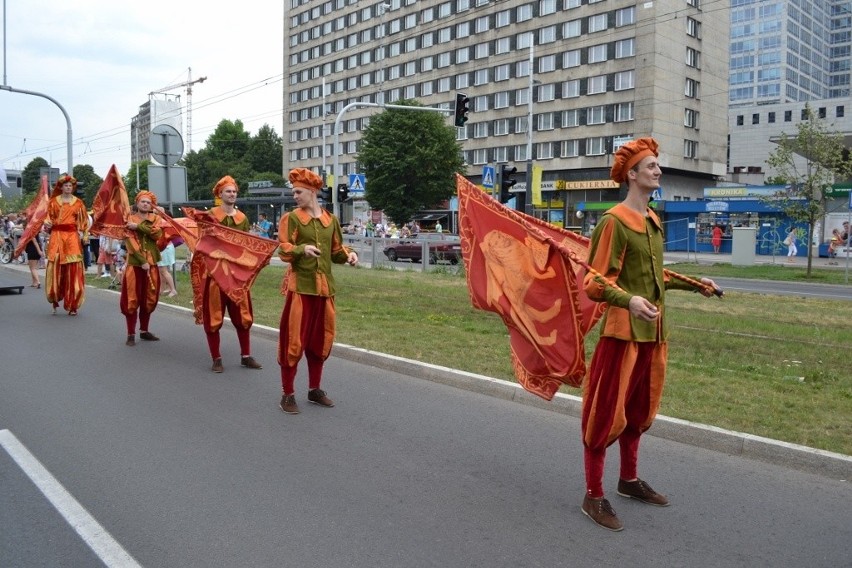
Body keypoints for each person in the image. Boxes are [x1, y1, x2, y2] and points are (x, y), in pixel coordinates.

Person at [580, 137, 720, 532]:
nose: (658, 171)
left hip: (654, 334)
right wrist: (628, 301)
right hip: (622, 336)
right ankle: (593, 495)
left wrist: (698, 284)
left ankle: (628, 481)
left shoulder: (653, 221)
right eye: (652, 166)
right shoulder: (614, 221)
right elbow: (593, 283)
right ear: (632, 174)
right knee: (605, 414)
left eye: (658, 165)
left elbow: (656, 277)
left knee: (639, 413)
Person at [277, 168, 358, 414]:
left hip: (324, 291)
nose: (295, 196)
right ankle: (287, 394)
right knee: (293, 341)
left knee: (320, 340)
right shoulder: (291, 218)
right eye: (294, 192)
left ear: (312, 192)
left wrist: (349, 255)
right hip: (301, 289)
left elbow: (336, 251)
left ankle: (314, 389)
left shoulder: (330, 220)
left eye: (298, 192)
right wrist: (302, 249)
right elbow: (283, 249)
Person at [197, 175, 263, 373]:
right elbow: (205, 242)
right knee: (214, 317)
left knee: (243, 316)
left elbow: (244, 243)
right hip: (216, 274)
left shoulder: (242, 217)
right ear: (220, 194)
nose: (232, 194)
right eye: (228, 191)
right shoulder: (211, 215)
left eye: (234, 191)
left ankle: (246, 356)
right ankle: (216, 358)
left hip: (236, 275)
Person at [121, 191, 165, 346]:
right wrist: (142, 261)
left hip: (152, 263)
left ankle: (144, 331)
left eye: (148, 202)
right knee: (132, 298)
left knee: (149, 298)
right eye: (143, 202)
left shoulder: (156, 218)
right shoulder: (129, 219)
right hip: (135, 265)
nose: (145, 204)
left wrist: (138, 227)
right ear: (137, 203)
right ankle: (131, 333)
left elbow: (157, 234)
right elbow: (130, 242)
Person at [43, 174, 89, 315]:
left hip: (71, 238)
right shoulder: (53, 202)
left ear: (73, 188)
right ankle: (55, 298)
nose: (68, 188)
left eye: (70, 186)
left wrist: (85, 235)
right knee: (55, 265)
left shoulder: (79, 203)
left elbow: (84, 222)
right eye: (66, 186)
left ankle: (73, 303)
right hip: (56, 236)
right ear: (61, 187)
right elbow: (47, 218)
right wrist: (47, 223)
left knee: (73, 269)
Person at [23, 217, 44, 288]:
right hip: (34, 250)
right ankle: (34, 282)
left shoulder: (30, 231)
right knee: (31, 267)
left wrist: (39, 251)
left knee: (33, 268)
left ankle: (38, 282)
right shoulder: (35, 230)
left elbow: (34, 241)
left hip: (33, 250)